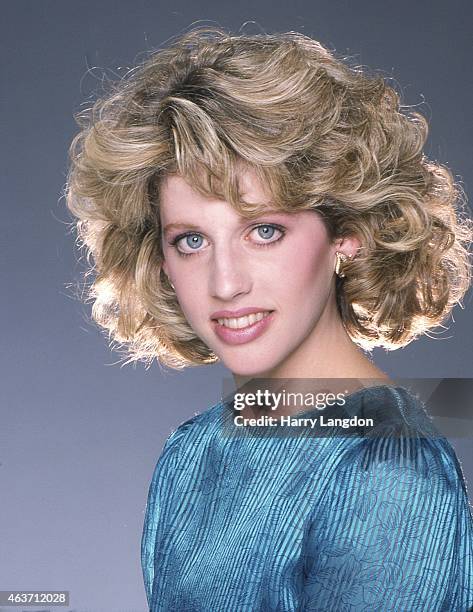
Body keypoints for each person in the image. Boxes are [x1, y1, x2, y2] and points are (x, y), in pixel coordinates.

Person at [65, 25, 473, 611]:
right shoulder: (193, 451)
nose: (225, 283)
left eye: (264, 231)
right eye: (190, 241)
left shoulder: (389, 468)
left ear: (348, 236)